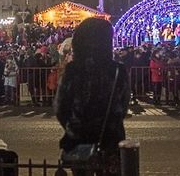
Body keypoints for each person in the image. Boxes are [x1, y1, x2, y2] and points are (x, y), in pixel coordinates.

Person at [54, 18, 130, 174]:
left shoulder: (73, 70)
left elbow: (61, 107)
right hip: (111, 140)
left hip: (79, 139)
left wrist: (74, 126)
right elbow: (123, 106)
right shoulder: (117, 71)